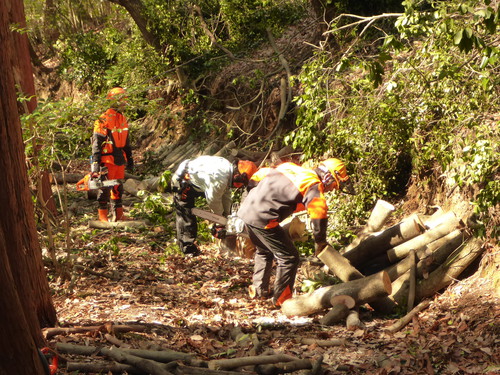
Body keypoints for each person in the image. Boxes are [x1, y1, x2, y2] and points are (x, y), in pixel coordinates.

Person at [237, 158, 353, 307]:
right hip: (263, 218)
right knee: (289, 257)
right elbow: (319, 213)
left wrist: (251, 198)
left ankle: (259, 292)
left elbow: (257, 176)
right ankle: (282, 301)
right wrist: (320, 242)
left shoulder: (289, 167)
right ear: (328, 177)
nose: (332, 189)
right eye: (333, 185)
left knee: (264, 250)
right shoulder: (312, 184)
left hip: (247, 211)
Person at [172, 155, 258, 256]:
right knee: (186, 214)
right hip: (184, 180)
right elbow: (213, 200)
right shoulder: (219, 178)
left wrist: (227, 215)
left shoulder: (227, 171)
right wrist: (219, 222)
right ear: (237, 176)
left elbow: (226, 195)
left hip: (197, 181)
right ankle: (187, 250)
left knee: (218, 206)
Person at [90, 87, 134, 222]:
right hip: (107, 159)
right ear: (113, 100)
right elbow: (96, 143)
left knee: (117, 187)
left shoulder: (122, 119)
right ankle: (102, 216)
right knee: (103, 188)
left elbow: (126, 142)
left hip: (119, 158)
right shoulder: (103, 120)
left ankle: (119, 214)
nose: (123, 103)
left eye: (124, 100)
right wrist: (95, 165)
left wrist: (130, 158)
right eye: (121, 100)